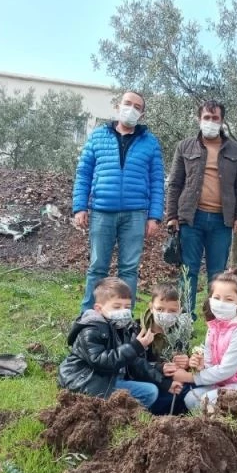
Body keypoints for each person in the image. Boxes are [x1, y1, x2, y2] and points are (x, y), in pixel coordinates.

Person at [73, 91, 165, 312]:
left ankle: (125, 318)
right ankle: (89, 316)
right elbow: (83, 173)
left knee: (129, 269)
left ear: (141, 114)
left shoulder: (150, 142)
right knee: (97, 267)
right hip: (101, 212)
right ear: (118, 106)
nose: (131, 109)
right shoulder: (98, 136)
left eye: (137, 106)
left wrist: (154, 216)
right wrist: (79, 207)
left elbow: (157, 181)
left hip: (136, 214)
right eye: (127, 103)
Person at [166, 100, 237, 315]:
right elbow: (175, 182)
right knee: (188, 270)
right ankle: (185, 318)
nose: (210, 122)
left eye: (215, 118)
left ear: (222, 121)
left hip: (222, 220)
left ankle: (216, 318)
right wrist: (171, 215)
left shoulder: (235, 150)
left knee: (217, 273)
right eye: (206, 118)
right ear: (199, 119)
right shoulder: (185, 146)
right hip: (191, 218)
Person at [57, 277, 180, 409]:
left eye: (127, 307)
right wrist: (136, 347)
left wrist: (161, 375)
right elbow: (101, 361)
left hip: (109, 378)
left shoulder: (122, 328)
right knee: (149, 392)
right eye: (117, 307)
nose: (123, 311)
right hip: (85, 381)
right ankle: (118, 415)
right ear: (99, 309)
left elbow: (133, 362)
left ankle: (119, 412)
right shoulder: (91, 330)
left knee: (151, 390)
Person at [164, 269, 237, 411]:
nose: (221, 303)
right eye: (216, 297)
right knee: (191, 398)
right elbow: (211, 364)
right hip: (226, 383)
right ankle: (209, 426)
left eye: (229, 299)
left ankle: (231, 428)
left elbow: (226, 370)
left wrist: (190, 377)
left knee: (206, 402)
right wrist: (202, 365)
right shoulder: (215, 327)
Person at [138, 282, 191, 415]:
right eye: (160, 309)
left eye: (172, 311)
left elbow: (184, 361)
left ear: (180, 310)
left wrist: (187, 362)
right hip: (152, 382)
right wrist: (160, 368)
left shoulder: (181, 331)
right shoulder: (138, 331)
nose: (165, 314)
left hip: (173, 384)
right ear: (151, 307)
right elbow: (135, 367)